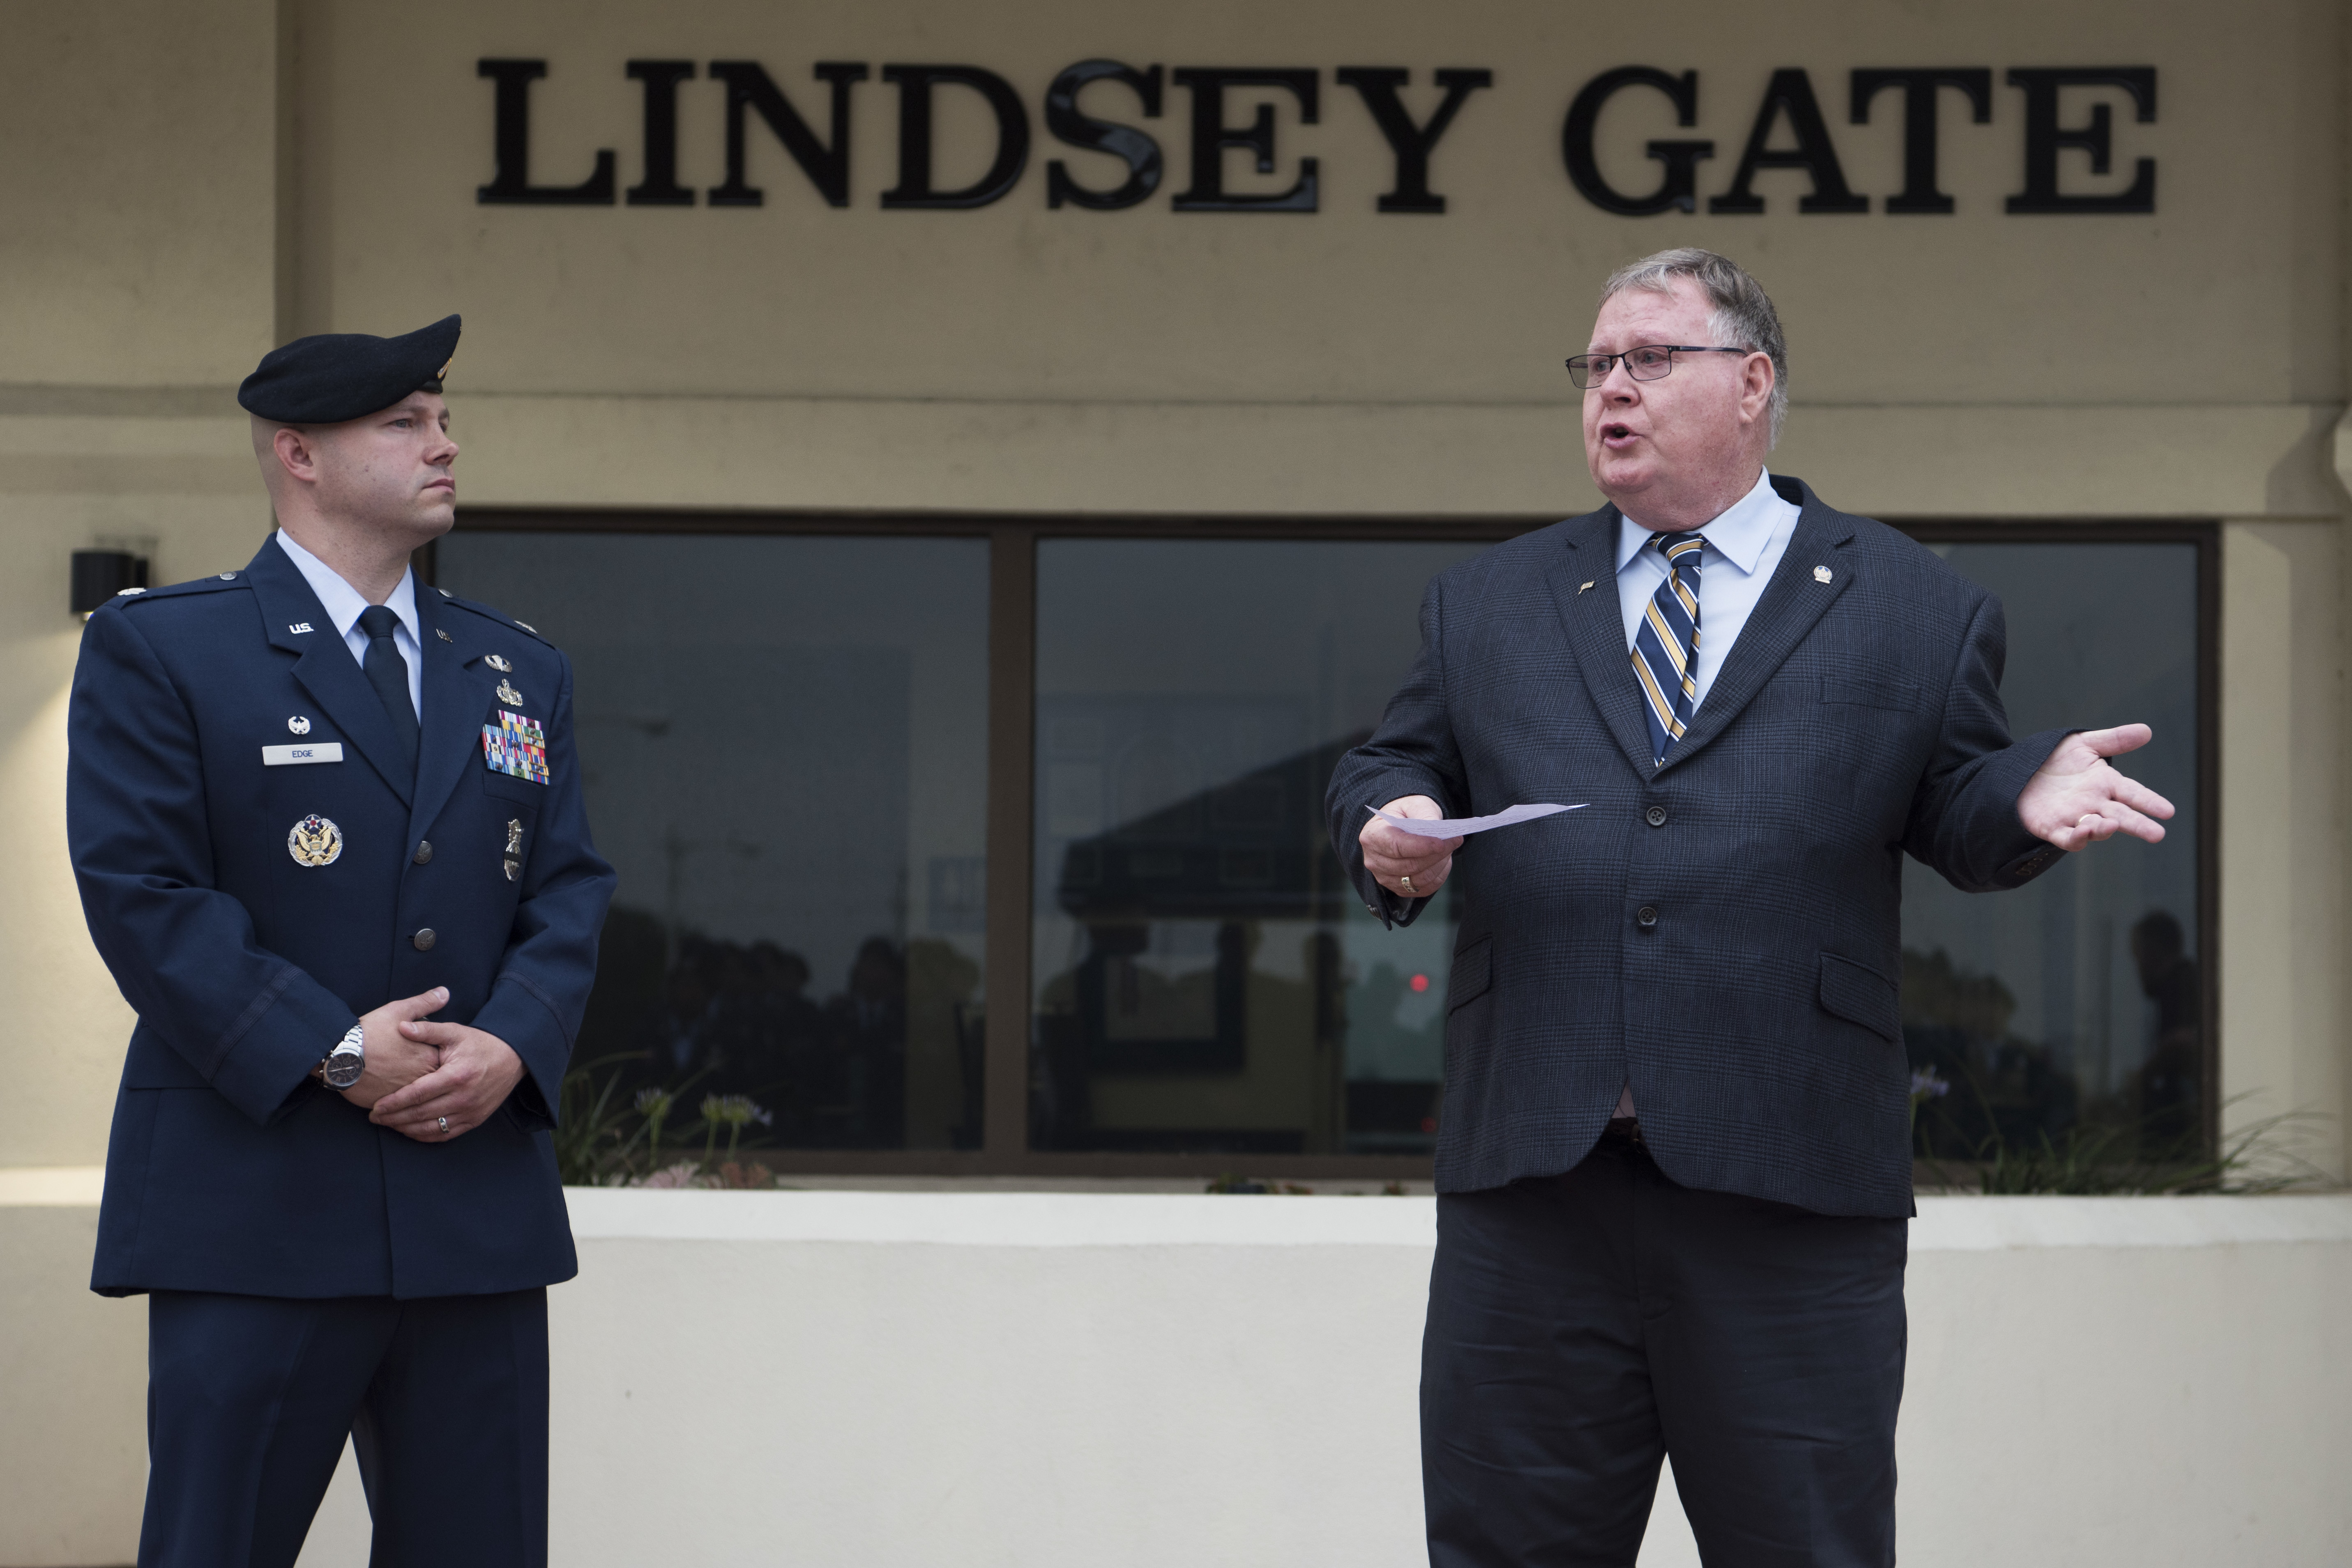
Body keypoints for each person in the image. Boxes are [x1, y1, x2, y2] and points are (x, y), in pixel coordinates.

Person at [1325, 249, 2172, 1566]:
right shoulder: (1487, 602)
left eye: (1649, 358)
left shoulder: (1913, 605)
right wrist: (1385, 830)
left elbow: (1952, 799)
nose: (1612, 388)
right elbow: (1393, 762)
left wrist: (2019, 798)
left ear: (1752, 383)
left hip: (1788, 1200)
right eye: (1595, 365)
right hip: (1536, 1199)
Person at [67, 315, 617, 1566]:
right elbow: (143, 893)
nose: (446, 445)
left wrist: (514, 1046)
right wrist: (329, 1044)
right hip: (254, 1205)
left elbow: (571, 888)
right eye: (405, 422)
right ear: (297, 453)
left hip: (470, 1208)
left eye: (444, 418)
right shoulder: (164, 647)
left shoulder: (519, 670)